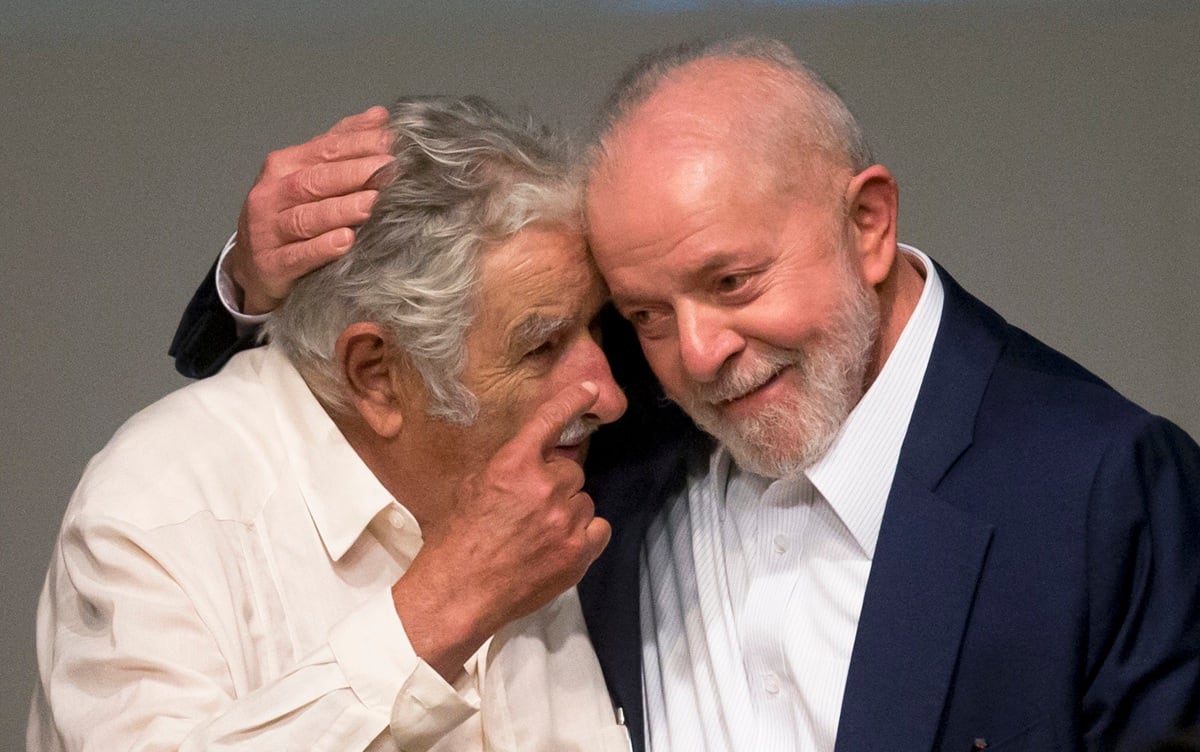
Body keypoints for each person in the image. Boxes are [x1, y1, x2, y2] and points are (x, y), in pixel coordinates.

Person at [169, 39, 1200, 752]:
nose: (699, 355)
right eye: (646, 312)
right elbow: (384, 393)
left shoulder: (1105, 486)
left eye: (734, 280)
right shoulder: (618, 416)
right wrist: (249, 281)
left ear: (869, 224)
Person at [31, 96, 634, 751]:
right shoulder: (159, 515)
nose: (609, 396)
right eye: (542, 347)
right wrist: (448, 605)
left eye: (599, 326)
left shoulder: (629, 474)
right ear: (376, 375)